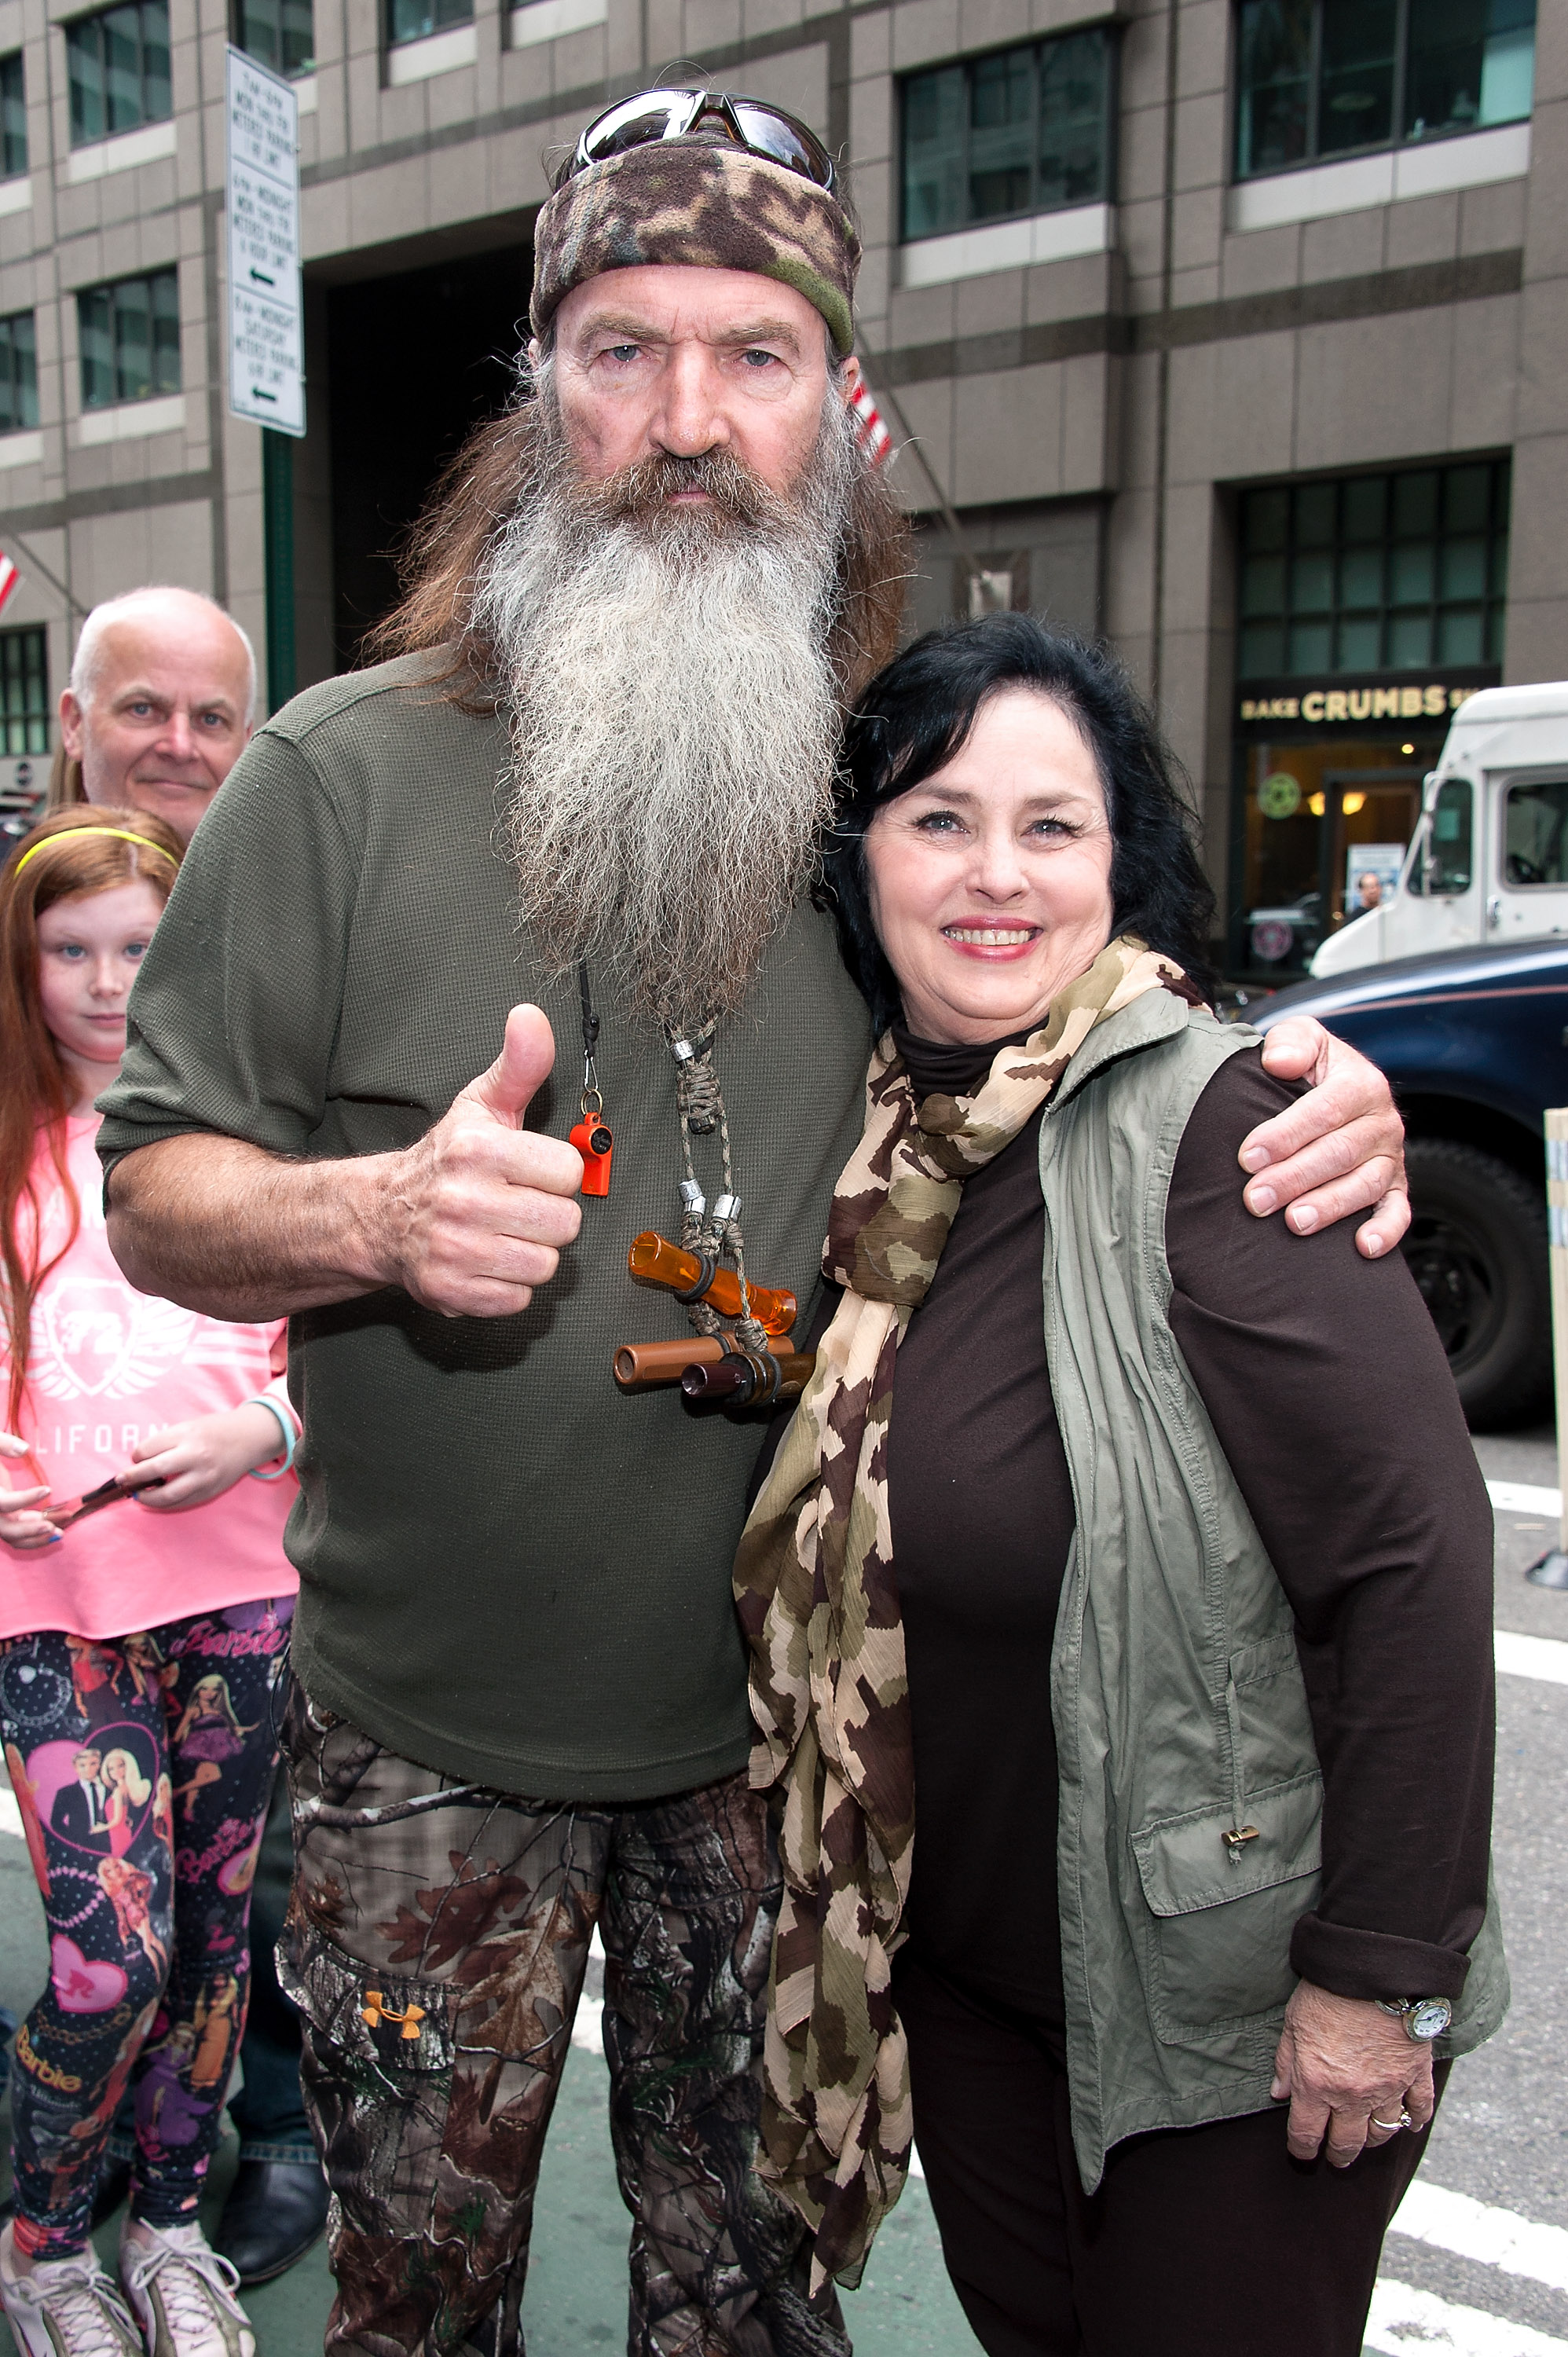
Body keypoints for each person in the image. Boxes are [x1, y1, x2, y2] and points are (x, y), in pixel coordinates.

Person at [94, 88, 1412, 2357]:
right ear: (538, 399)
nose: (686, 421)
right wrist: (373, 1215)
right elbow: (154, 1190)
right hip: (423, 1750)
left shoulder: (897, 793)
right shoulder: (331, 772)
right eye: (618, 350)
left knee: (753, 2312)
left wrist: (1317, 1086)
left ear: (844, 410)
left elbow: (1094, 1024)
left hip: (789, 1761)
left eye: (753, 355)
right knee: (418, 2316)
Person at [736, 614, 1507, 2357]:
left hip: (1229, 2022)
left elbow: (1404, 1560)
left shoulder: (1229, 1129)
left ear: (1118, 860)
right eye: (935, 817)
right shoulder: (872, 1153)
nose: (991, 874)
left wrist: (1372, 1976)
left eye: (1048, 825)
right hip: (974, 1986)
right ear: (855, 860)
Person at [0, 808, 302, 2357]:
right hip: (57, 1607)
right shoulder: (6, 1146)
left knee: (211, 1947)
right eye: (72, 948)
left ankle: (173, 2230)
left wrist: (258, 1424)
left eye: (141, 945)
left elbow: (331, 1352)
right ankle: (44, 2236)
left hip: (242, 1591)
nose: (109, 980)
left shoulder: (249, 1140)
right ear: (24, 961)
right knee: (107, 1952)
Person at [47, 588, 255, 844]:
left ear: (247, 745)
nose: (180, 747)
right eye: (142, 709)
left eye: (211, 719)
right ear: (75, 724)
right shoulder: (22, 884)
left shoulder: (298, 880)